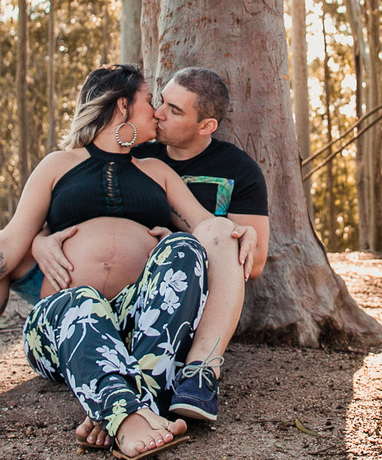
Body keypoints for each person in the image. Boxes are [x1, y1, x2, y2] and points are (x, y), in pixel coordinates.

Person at [0, 65, 256, 458]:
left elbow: (208, 229)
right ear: (122, 105)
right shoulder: (57, 165)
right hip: (63, 324)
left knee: (184, 246)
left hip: (138, 327)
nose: (156, 111)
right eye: (150, 100)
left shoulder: (157, 171)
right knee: (77, 297)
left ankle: (128, 405)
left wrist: (236, 231)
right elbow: (10, 240)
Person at [38, 67, 269, 439]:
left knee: (200, 240)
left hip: (164, 305)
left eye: (173, 110)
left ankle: (195, 375)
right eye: (158, 101)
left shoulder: (235, 169)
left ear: (206, 126)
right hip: (91, 304)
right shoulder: (135, 151)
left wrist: (225, 233)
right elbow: (74, 210)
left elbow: (249, 261)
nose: (158, 113)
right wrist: (40, 239)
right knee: (81, 304)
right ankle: (132, 405)